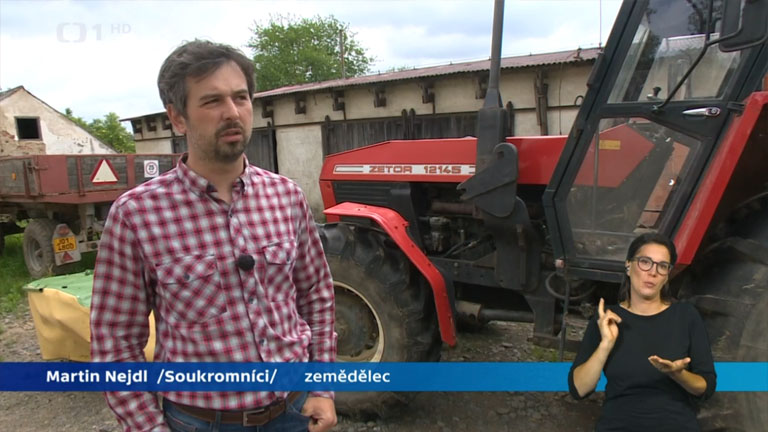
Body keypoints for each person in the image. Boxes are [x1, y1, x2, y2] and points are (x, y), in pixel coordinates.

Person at [90, 40, 337, 432]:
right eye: (212, 101)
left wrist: (323, 386)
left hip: (294, 412)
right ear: (177, 118)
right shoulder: (137, 215)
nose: (232, 112)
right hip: (199, 422)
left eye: (240, 97)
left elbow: (316, 296)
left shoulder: (286, 196)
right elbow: (115, 343)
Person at [568, 233, 716, 432]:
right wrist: (605, 345)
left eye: (662, 266)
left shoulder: (686, 316)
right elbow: (579, 389)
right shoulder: (607, 319)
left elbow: (706, 387)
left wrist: (678, 374)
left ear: (667, 275)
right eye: (645, 262)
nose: (652, 272)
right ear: (629, 266)